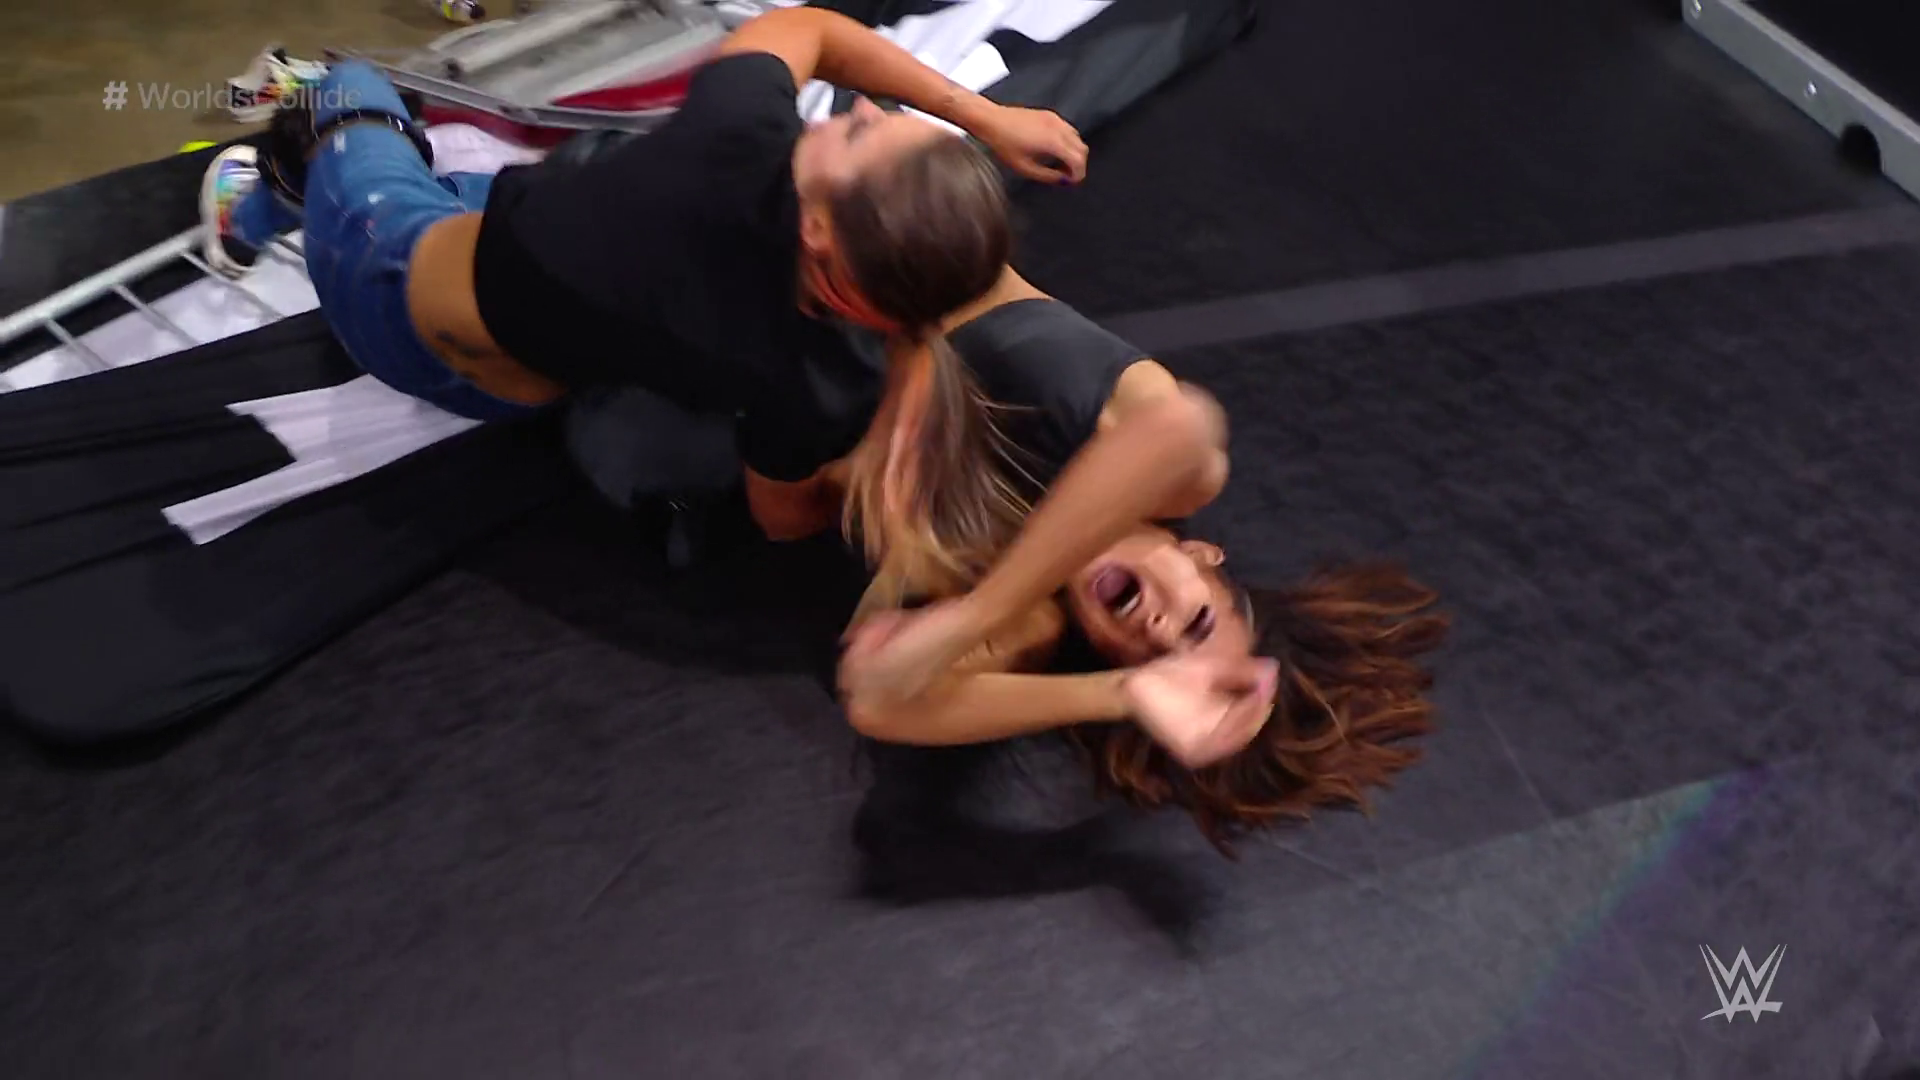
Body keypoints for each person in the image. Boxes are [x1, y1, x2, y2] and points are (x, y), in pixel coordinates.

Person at [195, 6, 1089, 526]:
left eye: (857, 133)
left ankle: (261, 201)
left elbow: (808, 28)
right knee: (494, 189)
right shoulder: (828, 373)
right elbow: (784, 518)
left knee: (348, 88)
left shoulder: (733, 142)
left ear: (820, 229)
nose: (855, 110)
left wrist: (982, 116)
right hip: (513, 375)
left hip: (391, 277)